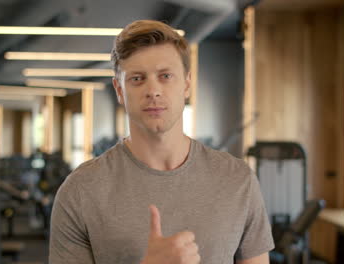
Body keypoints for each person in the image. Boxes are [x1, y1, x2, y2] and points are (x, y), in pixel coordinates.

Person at [49, 20, 274, 264]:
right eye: (137, 79)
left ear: (186, 84)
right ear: (119, 90)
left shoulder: (238, 179)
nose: (153, 90)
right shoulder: (81, 190)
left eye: (165, 76)